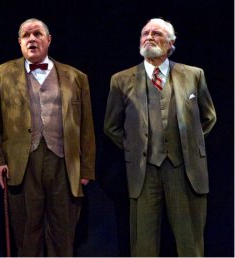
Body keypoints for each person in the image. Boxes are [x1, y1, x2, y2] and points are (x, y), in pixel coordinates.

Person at [104, 18, 216, 256]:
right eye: (145, 33)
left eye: (156, 33)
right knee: (143, 246)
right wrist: (135, 148)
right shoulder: (121, 80)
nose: (149, 37)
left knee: (190, 244)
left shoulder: (194, 75)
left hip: (184, 170)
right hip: (143, 173)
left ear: (170, 43)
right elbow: (111, 126)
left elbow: (208, 117)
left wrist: (187, 144)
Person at [0, 18, 95, 256]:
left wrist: (86, 168)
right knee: (27, 233)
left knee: (63, 232)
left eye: (37, 34)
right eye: (26, 35)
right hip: (22, 164)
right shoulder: (1, 74)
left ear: (48, 40)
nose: (32, 39)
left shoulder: (76, 77)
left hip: (64, 164)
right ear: (19, 42)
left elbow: (86, 127)